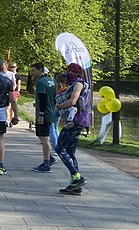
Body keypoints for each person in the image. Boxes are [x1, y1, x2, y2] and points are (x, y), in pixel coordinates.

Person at [54, 63, 92, 195]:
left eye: (69, 71)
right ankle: (75, 185)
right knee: (70, 151)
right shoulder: (77, 83)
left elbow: (73, 101)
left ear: (75, 73)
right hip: (80, 119)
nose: (67, 73)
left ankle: (77, 177)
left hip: (76, 120)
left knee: (60, 148)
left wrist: (59, 106)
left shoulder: (78, 84)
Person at [29, 63, 57, 173]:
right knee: (41, 135)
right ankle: (50, 158)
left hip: (44, 114)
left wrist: (41, 114)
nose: (32, 73)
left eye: (33, 71)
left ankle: (47, 164)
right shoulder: (50, 81)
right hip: (51, 112)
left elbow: (43, 97)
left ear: (40, 70)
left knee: (45, 138)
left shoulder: (40, 82)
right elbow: (53, 97)